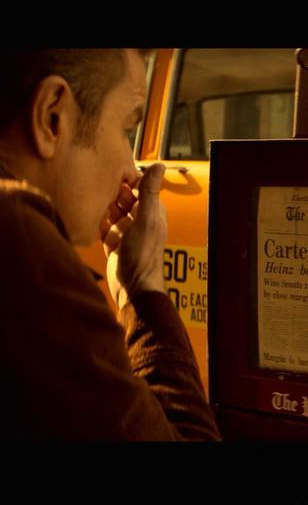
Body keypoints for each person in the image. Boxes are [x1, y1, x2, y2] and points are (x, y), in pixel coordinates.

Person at [0, 49, 220, 440]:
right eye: (126, 130)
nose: (131, 170)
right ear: (52, 117)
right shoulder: (18, 241)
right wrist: (145, 289)